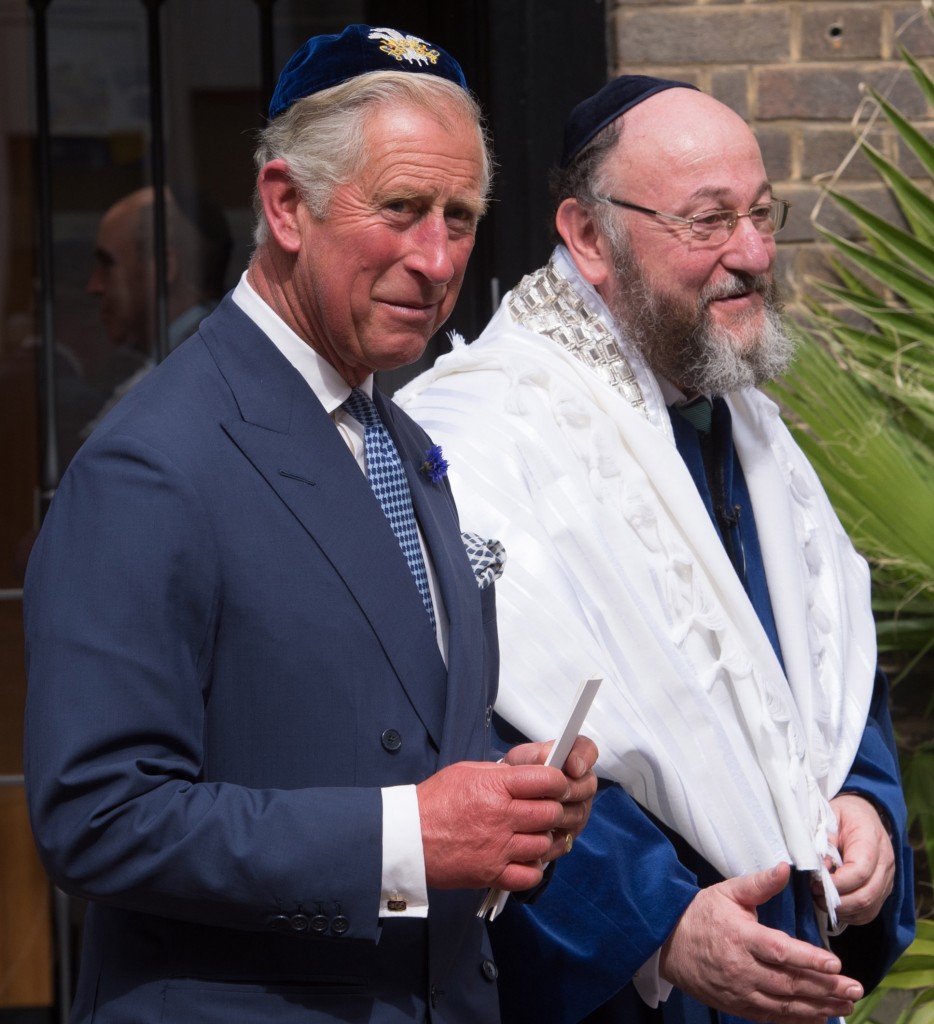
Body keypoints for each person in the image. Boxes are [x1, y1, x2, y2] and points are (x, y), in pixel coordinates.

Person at [23, 25, 597, 1024]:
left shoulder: (399, 439)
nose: (436, 257)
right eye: (402, 209)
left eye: (460, 218)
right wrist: (409, 838)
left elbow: (383, 732)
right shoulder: (151, 460)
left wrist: (508, 805)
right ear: (285, 205)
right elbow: (96, 815)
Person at [398, 76, 914, 1023]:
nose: (755, 254)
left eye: (763, 213)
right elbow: (466, 737)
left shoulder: (750, 431)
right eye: (709, 222)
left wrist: (866, 804)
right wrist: (661, 924)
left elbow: (831, 684)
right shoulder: (468, 439)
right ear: (590, 236)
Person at [82, 183, 233, 434]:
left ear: (163, 268)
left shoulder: (189, 373)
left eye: (107, 264)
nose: (94, 286)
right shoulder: (217, 355)